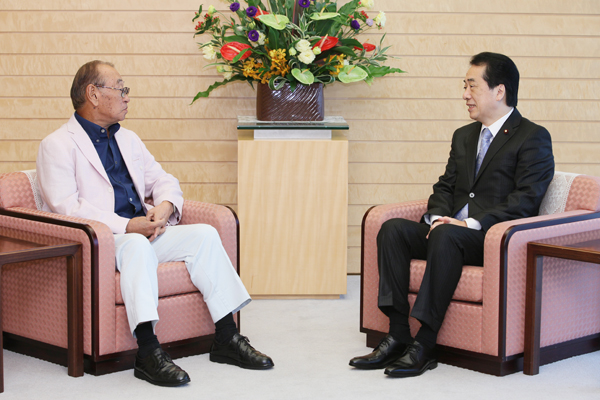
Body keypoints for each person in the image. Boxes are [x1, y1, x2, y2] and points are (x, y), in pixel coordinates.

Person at [36, 60, 274, 387]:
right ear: (93, 94)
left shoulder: (129, 139)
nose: (126, 96)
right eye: (120, 88)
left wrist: (164, 207)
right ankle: (148, 352)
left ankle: (226, 337)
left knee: (205, 235)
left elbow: (163, 180)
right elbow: (66, 207)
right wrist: (128, 226)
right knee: (136, 245)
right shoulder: (57, 145)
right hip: (102, 240)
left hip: (144, 232)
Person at [349, 52, 554, 377]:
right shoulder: (464, 136)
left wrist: (468, 223)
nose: (465, 94)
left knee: (447, 234)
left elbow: (526, 200)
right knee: (393, 229)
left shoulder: (532, 136)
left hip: (489, 238)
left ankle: (425, 344)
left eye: (472, 86)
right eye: (464, 86)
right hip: (448, 232)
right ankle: (398, 333)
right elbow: (445, 186)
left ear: (499, 91)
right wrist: (437, 218)